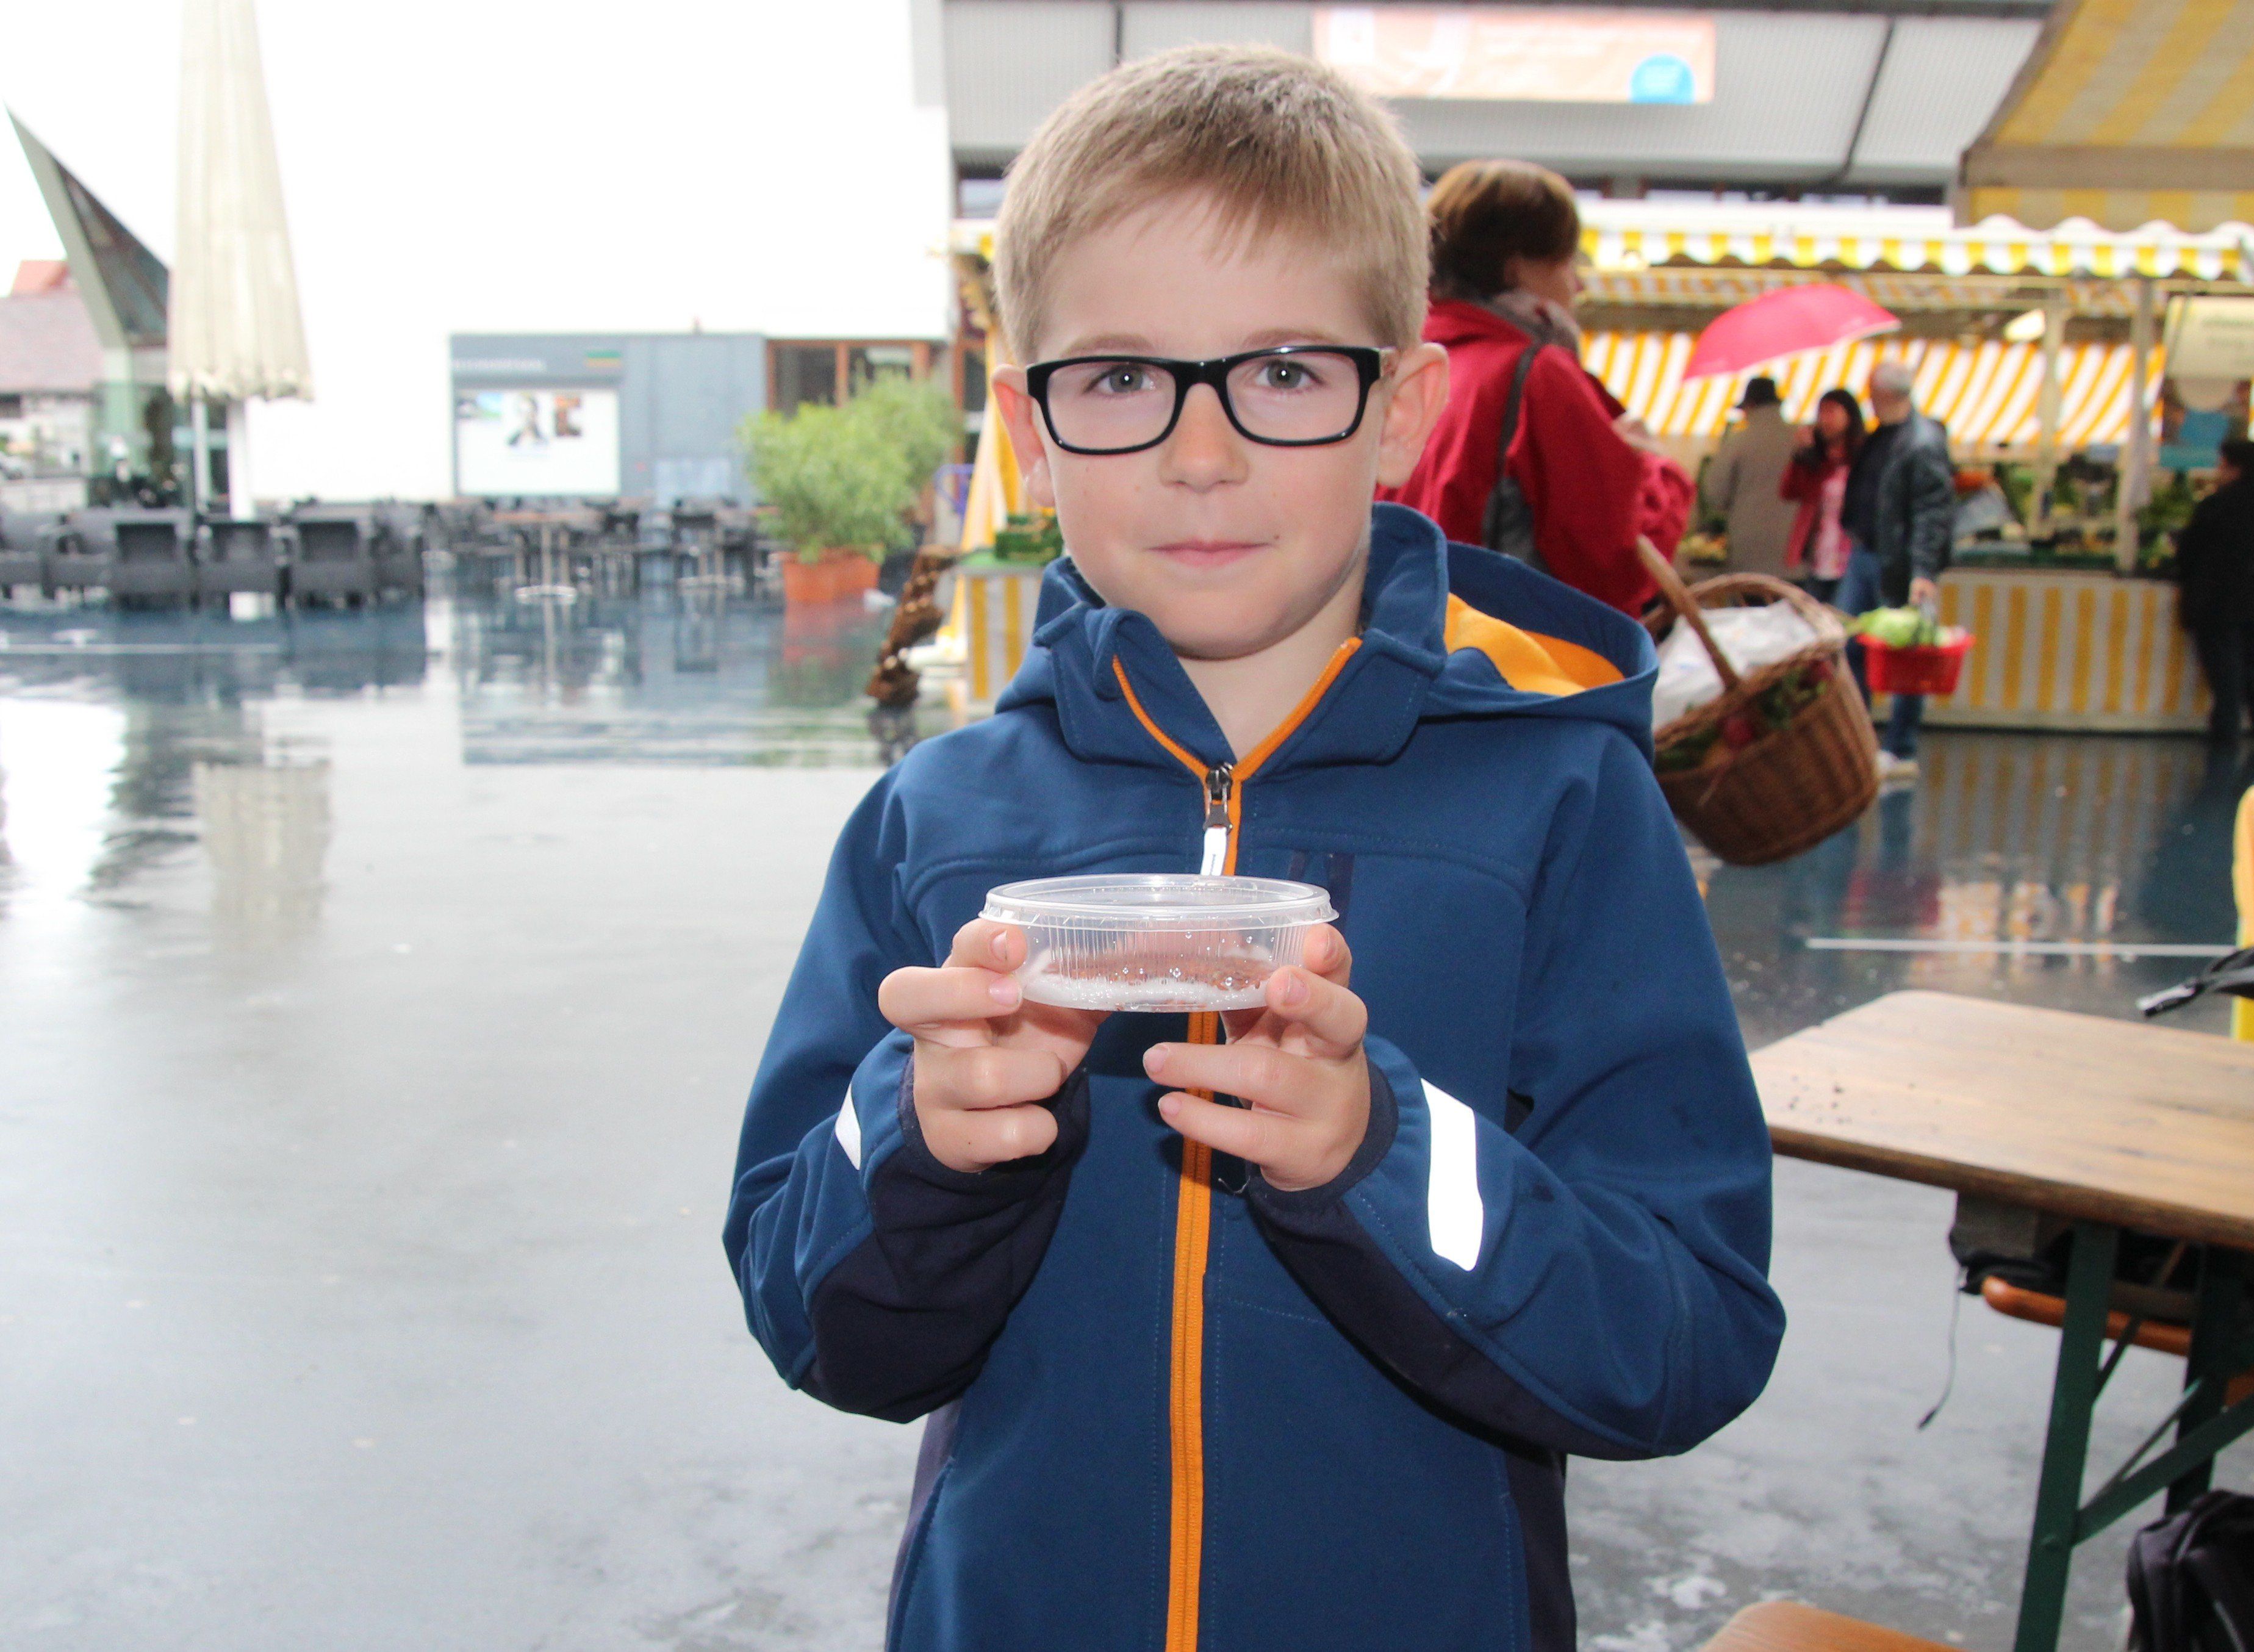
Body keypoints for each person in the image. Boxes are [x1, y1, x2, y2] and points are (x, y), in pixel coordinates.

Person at [723, 46, 1781, 1652]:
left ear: (1400, 412)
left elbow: (1686, 1332)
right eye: (1119, 378)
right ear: (1030, 427)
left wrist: (1380, 1154)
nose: (1199, 453)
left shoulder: (1562, 808)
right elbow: (817, 1327)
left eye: (1284, 372)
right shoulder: (933, 826)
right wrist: (918, 1130)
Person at [1384, 158, 1695, 614]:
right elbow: (1617, 566)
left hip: (1404, 633)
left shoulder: (1406, 364)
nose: (1577, 284)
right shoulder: (1538, 376)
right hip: (1501, 647)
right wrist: (1658, 470)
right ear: (1519, 268)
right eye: (1567, 262)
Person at [1837, 360, 1954, 780]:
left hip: (1898, 563)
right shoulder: (1883, 437)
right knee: (1851, 645)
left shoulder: (1922, 442)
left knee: (1906, 656)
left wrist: (1923, 570)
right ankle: (1860, 739)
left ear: (1880, 392)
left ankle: (1901, 747)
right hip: (1868, 554)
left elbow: (1932, 511)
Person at [2175, 436, 2254, 745]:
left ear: (2234, 468)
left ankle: (2226, 729)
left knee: (2224, 666)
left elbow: (2190, 551)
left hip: (2219, 599)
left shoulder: (2216, 505)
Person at [1698, 376, 1798, 578]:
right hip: (1795, 552)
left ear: (1750, 406)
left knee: (1751, 597)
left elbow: (1715, 493)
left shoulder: (1738, 442)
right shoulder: (1800, 439)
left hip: (1749, 550)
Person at [1780, 387, 1864, 603]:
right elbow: (1790, 491)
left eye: (1831, 412)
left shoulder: (1862, 457)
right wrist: (1803, 455)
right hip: (1818, 557)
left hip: (1850, 557)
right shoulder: (1817, 459)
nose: (1825, 420)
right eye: (1821, 413)